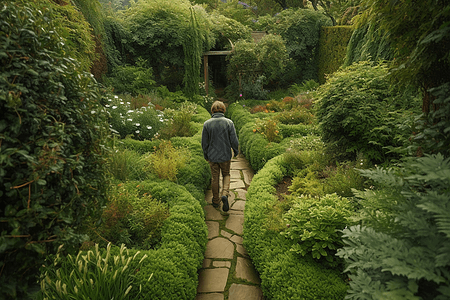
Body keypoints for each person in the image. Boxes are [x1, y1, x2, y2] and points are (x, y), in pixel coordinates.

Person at [201, 101, 239, 212]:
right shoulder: (229, 123)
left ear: (212, 110)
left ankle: (216, 201)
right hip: (225, 155)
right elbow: (234, 140)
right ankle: (225, 194)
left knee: (215, 177)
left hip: (212, 156)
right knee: (226, 174)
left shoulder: (207, 124)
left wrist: (206, 154)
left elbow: (204, 143)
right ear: (223, 110)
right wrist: (236, 151)